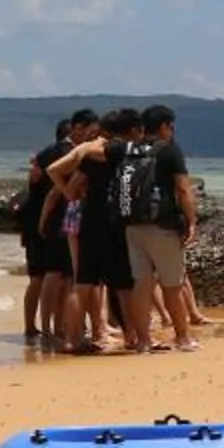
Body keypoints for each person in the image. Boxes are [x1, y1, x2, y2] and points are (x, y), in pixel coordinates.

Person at [49, 110, 143, 353]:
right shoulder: (123, 151)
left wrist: (71, 195)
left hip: (90, 221)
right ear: (129, 130)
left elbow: (63, 179)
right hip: (114, 223)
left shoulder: (93, 156)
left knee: (82, 283)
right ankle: (133, 336)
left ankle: (72, 339)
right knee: (123, 285)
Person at [121, 104, 199, 353]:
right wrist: (192, 220)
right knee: (172, 285)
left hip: (132, 224)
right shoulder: (170, 151)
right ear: (164, 126)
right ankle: (183, 338)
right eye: (171, 125)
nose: (173, 130)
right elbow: (183, 189)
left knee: (141, 284)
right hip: (161, 224)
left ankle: (143, 340)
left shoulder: (131, 149)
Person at [17, 113, 90, 343]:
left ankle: (36, 327)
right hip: (53, 222)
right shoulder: (70, 155)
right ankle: (53, 327)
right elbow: (53, 193)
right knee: (58, 275)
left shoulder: (44, 154)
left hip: (38, 222)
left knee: (41, 277)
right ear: (74, 131)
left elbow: (34, 184)